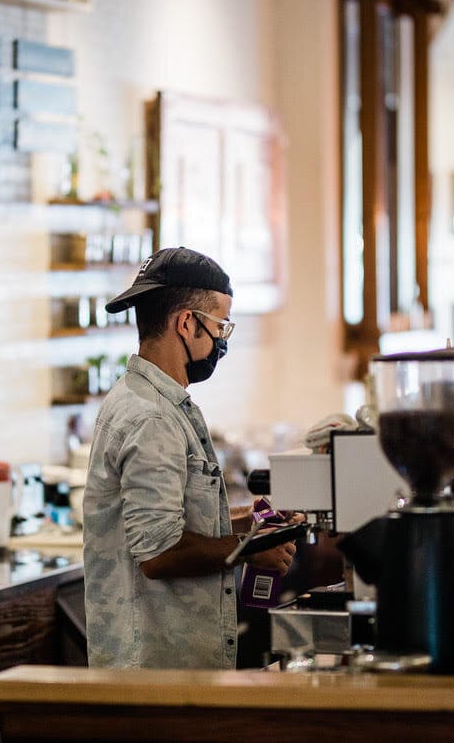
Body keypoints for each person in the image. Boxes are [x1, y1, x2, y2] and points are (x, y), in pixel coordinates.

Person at [82, 247, 296, 669]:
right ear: (186, 323)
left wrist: (243, 519)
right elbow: (159, 553)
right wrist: (251, 548)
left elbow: (172, 516)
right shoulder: (151, 417)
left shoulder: (155, 401)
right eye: (221, 326)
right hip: (156, 678)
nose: (222, 340)